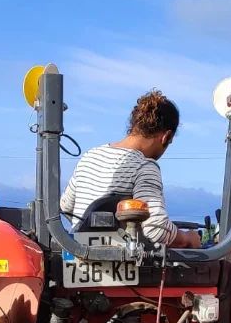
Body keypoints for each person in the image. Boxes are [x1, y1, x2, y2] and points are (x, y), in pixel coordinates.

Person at [60, 90, 200, 249]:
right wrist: (188, 238)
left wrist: (89, 237)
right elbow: (156, 229)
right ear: (166, 137)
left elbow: (65, 207)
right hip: (123, 264)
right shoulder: (144, 166)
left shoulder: (89, 157)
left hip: (80, 258)